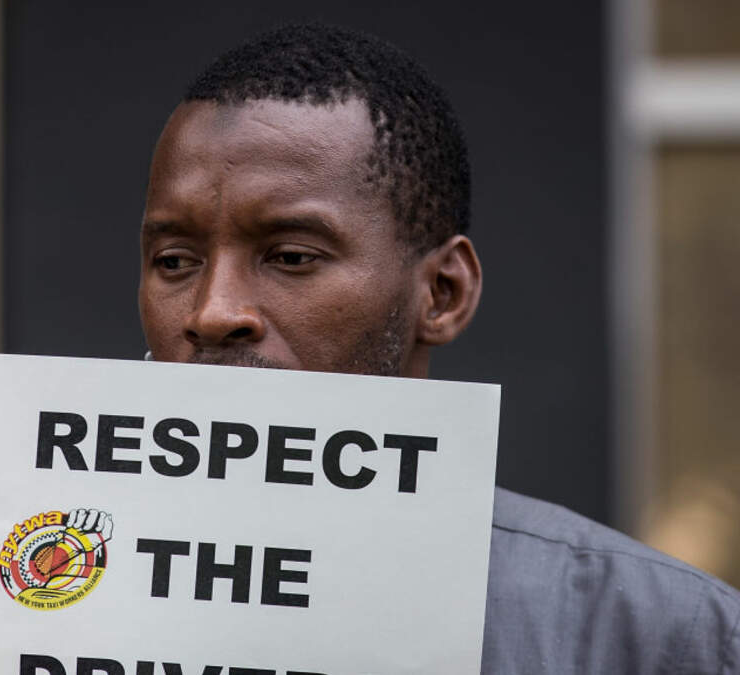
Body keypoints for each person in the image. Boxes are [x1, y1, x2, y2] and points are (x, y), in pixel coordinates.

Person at [136, 23, 740, 673]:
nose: (213, 311)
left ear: (443, 293)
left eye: (290, 256)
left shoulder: (663, 640)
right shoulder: (56, 586)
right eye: (174, 261)